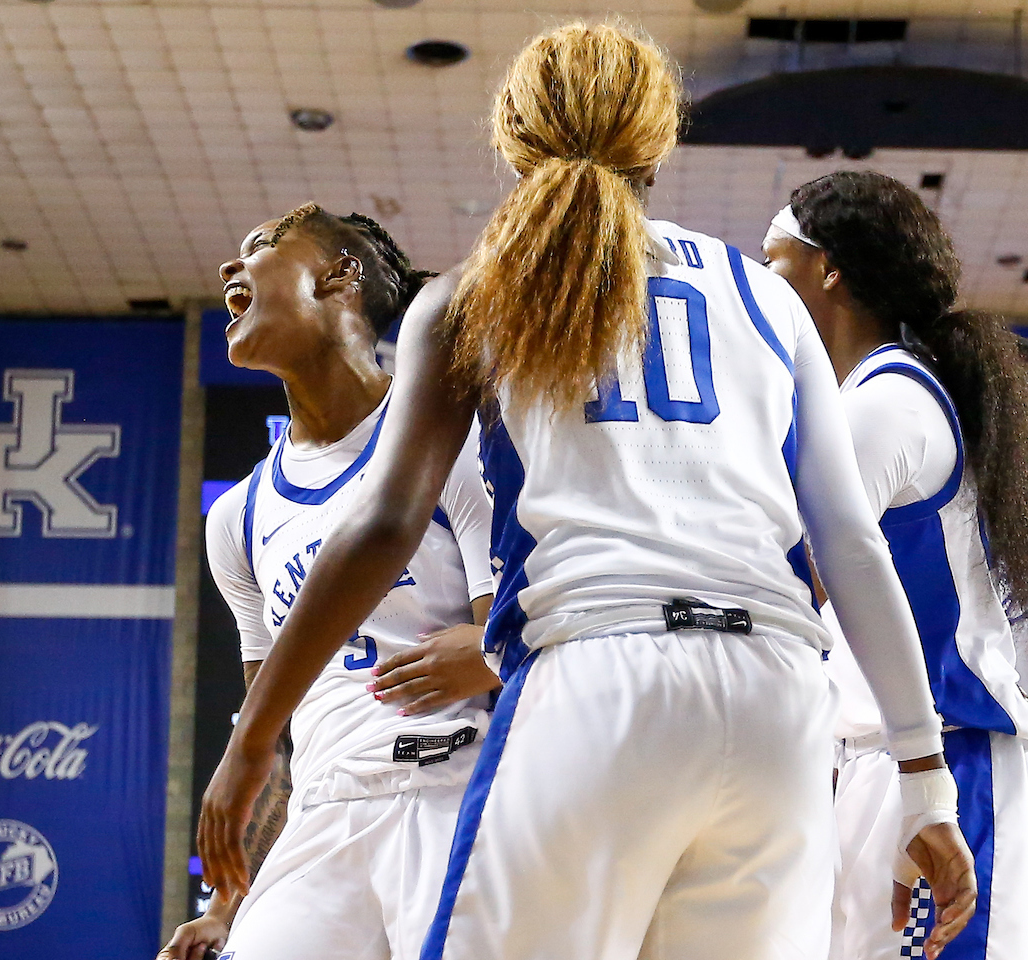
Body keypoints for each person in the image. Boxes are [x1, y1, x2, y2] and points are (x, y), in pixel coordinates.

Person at [205, 23, 978, 960]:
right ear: (659, 142)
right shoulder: (768, 296)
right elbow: (853, 548)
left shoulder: (475, 293)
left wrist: (252, 742)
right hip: (779, 699)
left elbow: (381, 525)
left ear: (513, 137)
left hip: (600, 678)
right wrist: (923, 776)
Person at [158, 204, 499, 960]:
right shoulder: (237, 516)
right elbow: (273, 731)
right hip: (322, 812)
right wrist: (227, 904)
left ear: (340, 275)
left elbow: (512, 646)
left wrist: (485, 650)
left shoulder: (455, 437)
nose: (230, 270)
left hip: (453, 790)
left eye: (262, 247)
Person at [762, 171, 1028, 960]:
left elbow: (787, 583)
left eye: (775, 265)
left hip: (947, 759)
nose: (764, 288)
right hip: (890, 759)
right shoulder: (883, 393)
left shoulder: (885, 404)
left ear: (828, 269)